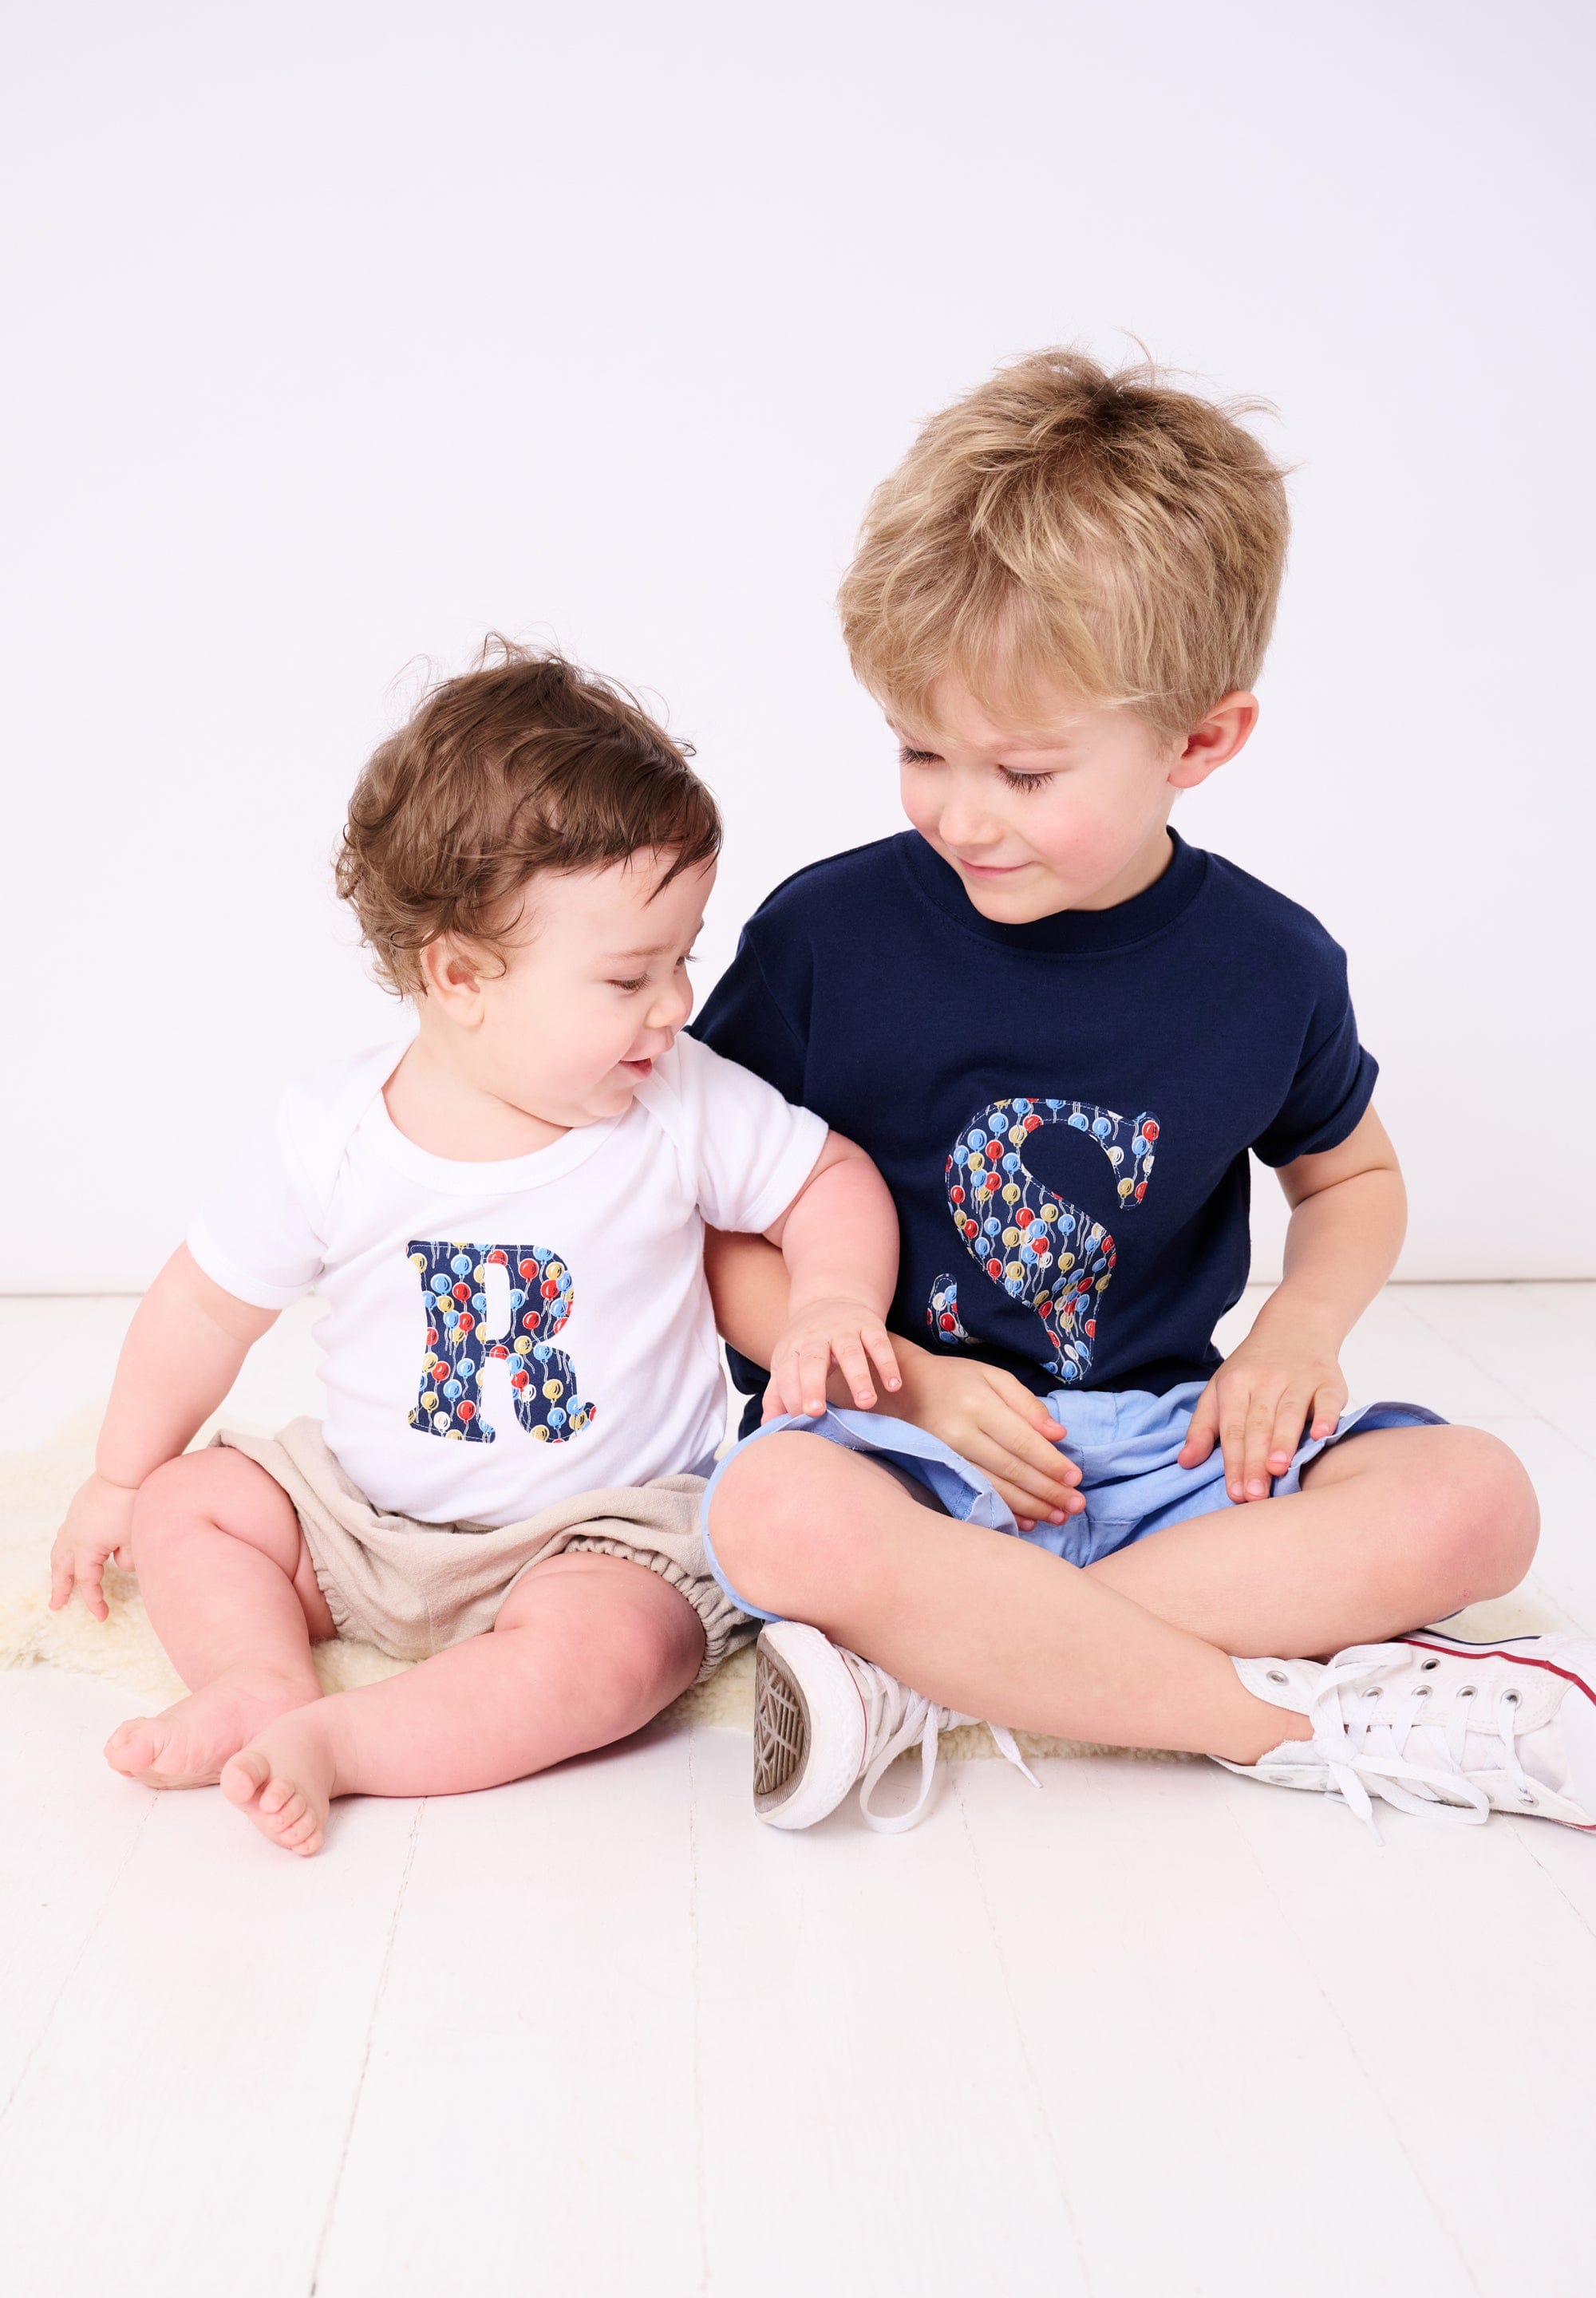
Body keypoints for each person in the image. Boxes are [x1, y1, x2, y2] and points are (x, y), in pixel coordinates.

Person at [694, 349, 1596, 1837]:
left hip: (1163, 1452)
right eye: (920, 749)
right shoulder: (822, 938)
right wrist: (901, 1378)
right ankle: (1274, 1719)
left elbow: (1352, 1178)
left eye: (1024, 773)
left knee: (1481, 1498)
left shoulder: (1269, 966)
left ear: (1201, 740)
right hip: (901, 1446)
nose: (959, 813)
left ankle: (940, 1667)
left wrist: (1295, 1337)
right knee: (774, 1511)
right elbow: (715, 1224)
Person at [47, 645, 900, 1856]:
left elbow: (828, 1178)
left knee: (622, 1655)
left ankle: (351, 1743)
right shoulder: (333, 1136)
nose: (676, 1004)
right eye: (629, 977)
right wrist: (123, 1476)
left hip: (601, 1534)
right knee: (196, 1505)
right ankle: (254, 1681)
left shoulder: (681, 1101)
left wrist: (832, 1298)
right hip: (363, 1520)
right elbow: (201, 1307)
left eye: (683, 958)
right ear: (460, 976)